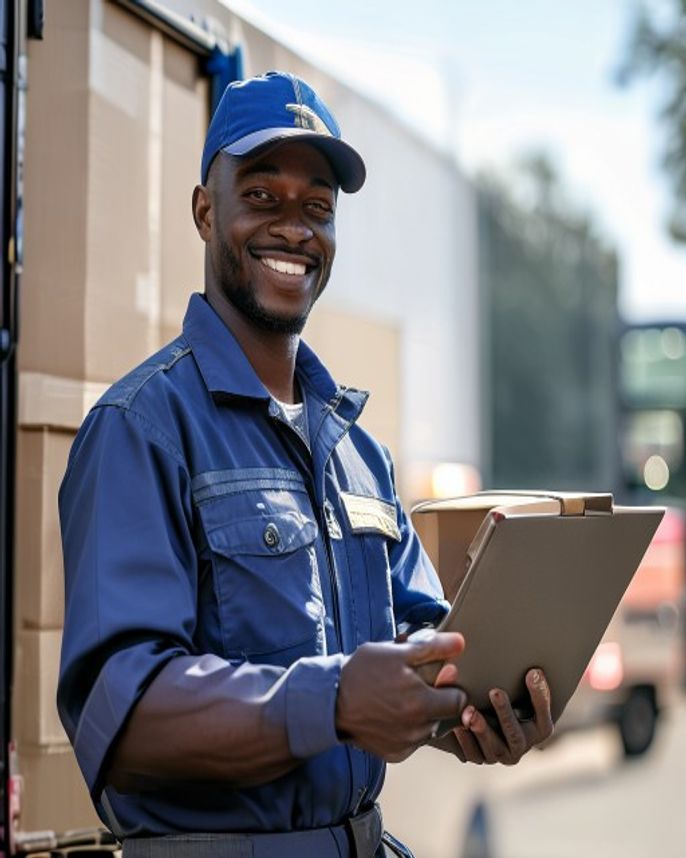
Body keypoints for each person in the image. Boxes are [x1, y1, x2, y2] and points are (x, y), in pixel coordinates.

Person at [57, 71, 553, 858]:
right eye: (263, 197)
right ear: (205, 210)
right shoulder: (141, 430)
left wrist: (478, 713)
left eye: (317, 208)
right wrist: (335, 701)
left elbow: (425, 656)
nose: (295, 229)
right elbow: (123, 719)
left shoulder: (360, 454)